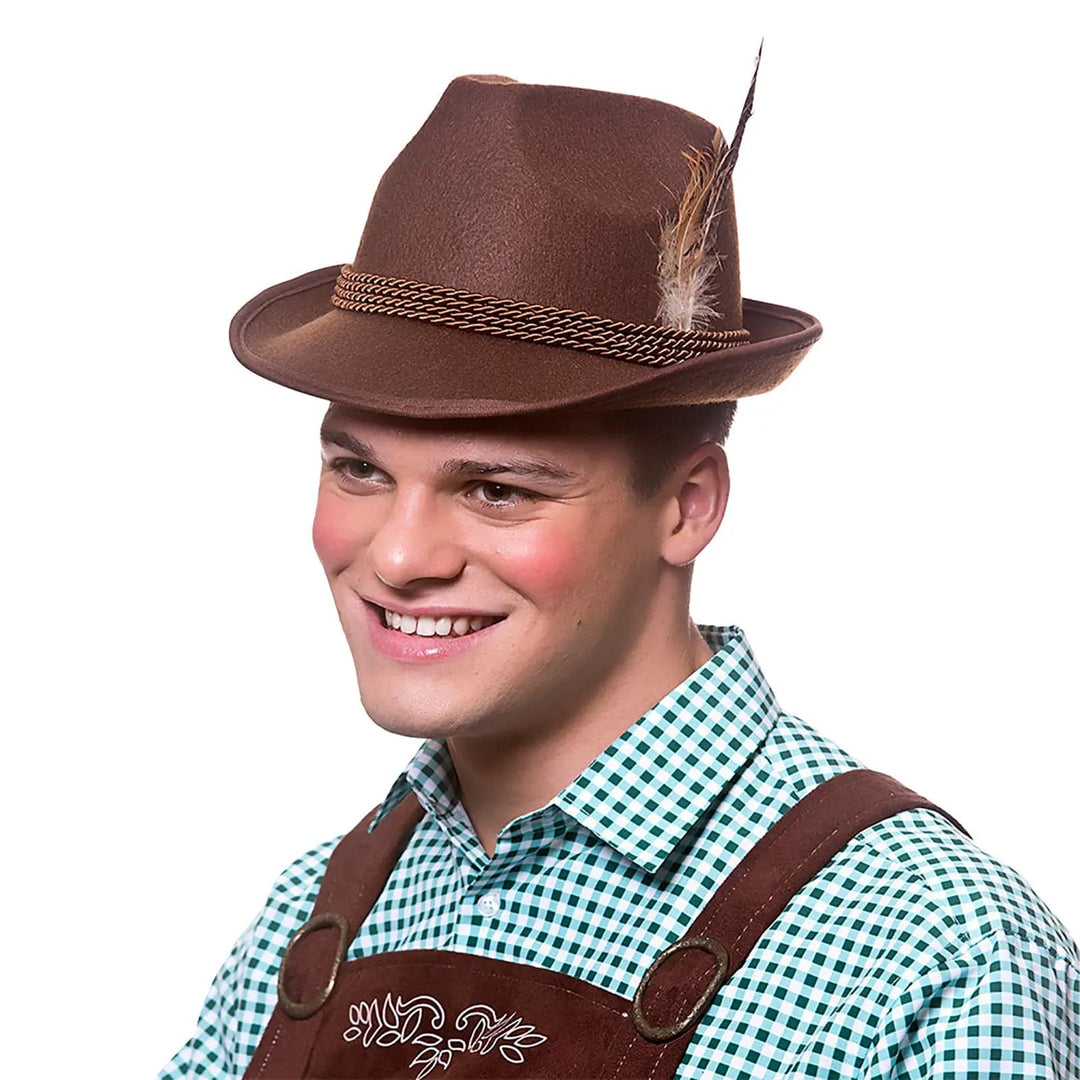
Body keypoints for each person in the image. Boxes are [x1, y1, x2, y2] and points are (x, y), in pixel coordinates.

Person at [160, 72, 1079, 1079]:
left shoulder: (924, 949)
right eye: (360, 470)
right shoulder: (312, 919)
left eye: (497, 490)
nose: (399, 556)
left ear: (686, 506)